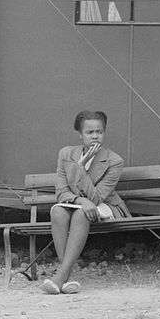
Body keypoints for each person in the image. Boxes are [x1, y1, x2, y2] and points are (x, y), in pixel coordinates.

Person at [43, 110, 129, 295]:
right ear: (80, 135)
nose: (95, 136)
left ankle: (60, 276)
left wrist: (81, 168)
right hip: (79, 203)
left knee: (82, 214)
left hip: (108, 206)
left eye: (99, 132)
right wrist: (81, 200)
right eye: (90, 132)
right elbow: (61, 192)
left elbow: (97, 198)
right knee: (57, 211)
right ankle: (68, 276)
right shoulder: (66, 154)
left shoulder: (114, 161)